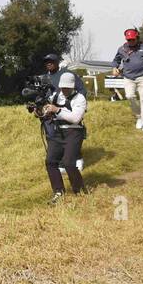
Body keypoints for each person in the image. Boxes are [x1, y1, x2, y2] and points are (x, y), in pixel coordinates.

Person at [39, 72, 87, 204]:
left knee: (68, 163)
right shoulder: (55, 96)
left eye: (67, 87)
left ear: (73, 86)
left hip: (74, 132)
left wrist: (57, 110)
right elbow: (46, 113)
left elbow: (76, 119)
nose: (65, 89)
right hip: (57, 132)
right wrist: (40, 110)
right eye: (63, 87)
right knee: (50, 161)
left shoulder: (80, 98)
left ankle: (80, 191)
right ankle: (58, 192)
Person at [111, 28, 143, 133]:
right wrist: (114, 68)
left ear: (137, 37)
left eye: (132, 39)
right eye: (129, 40)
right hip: (128, 77)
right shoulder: (121, 49)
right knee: (129, 96)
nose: (131, 42)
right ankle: (139, 117)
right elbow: (116, 60)